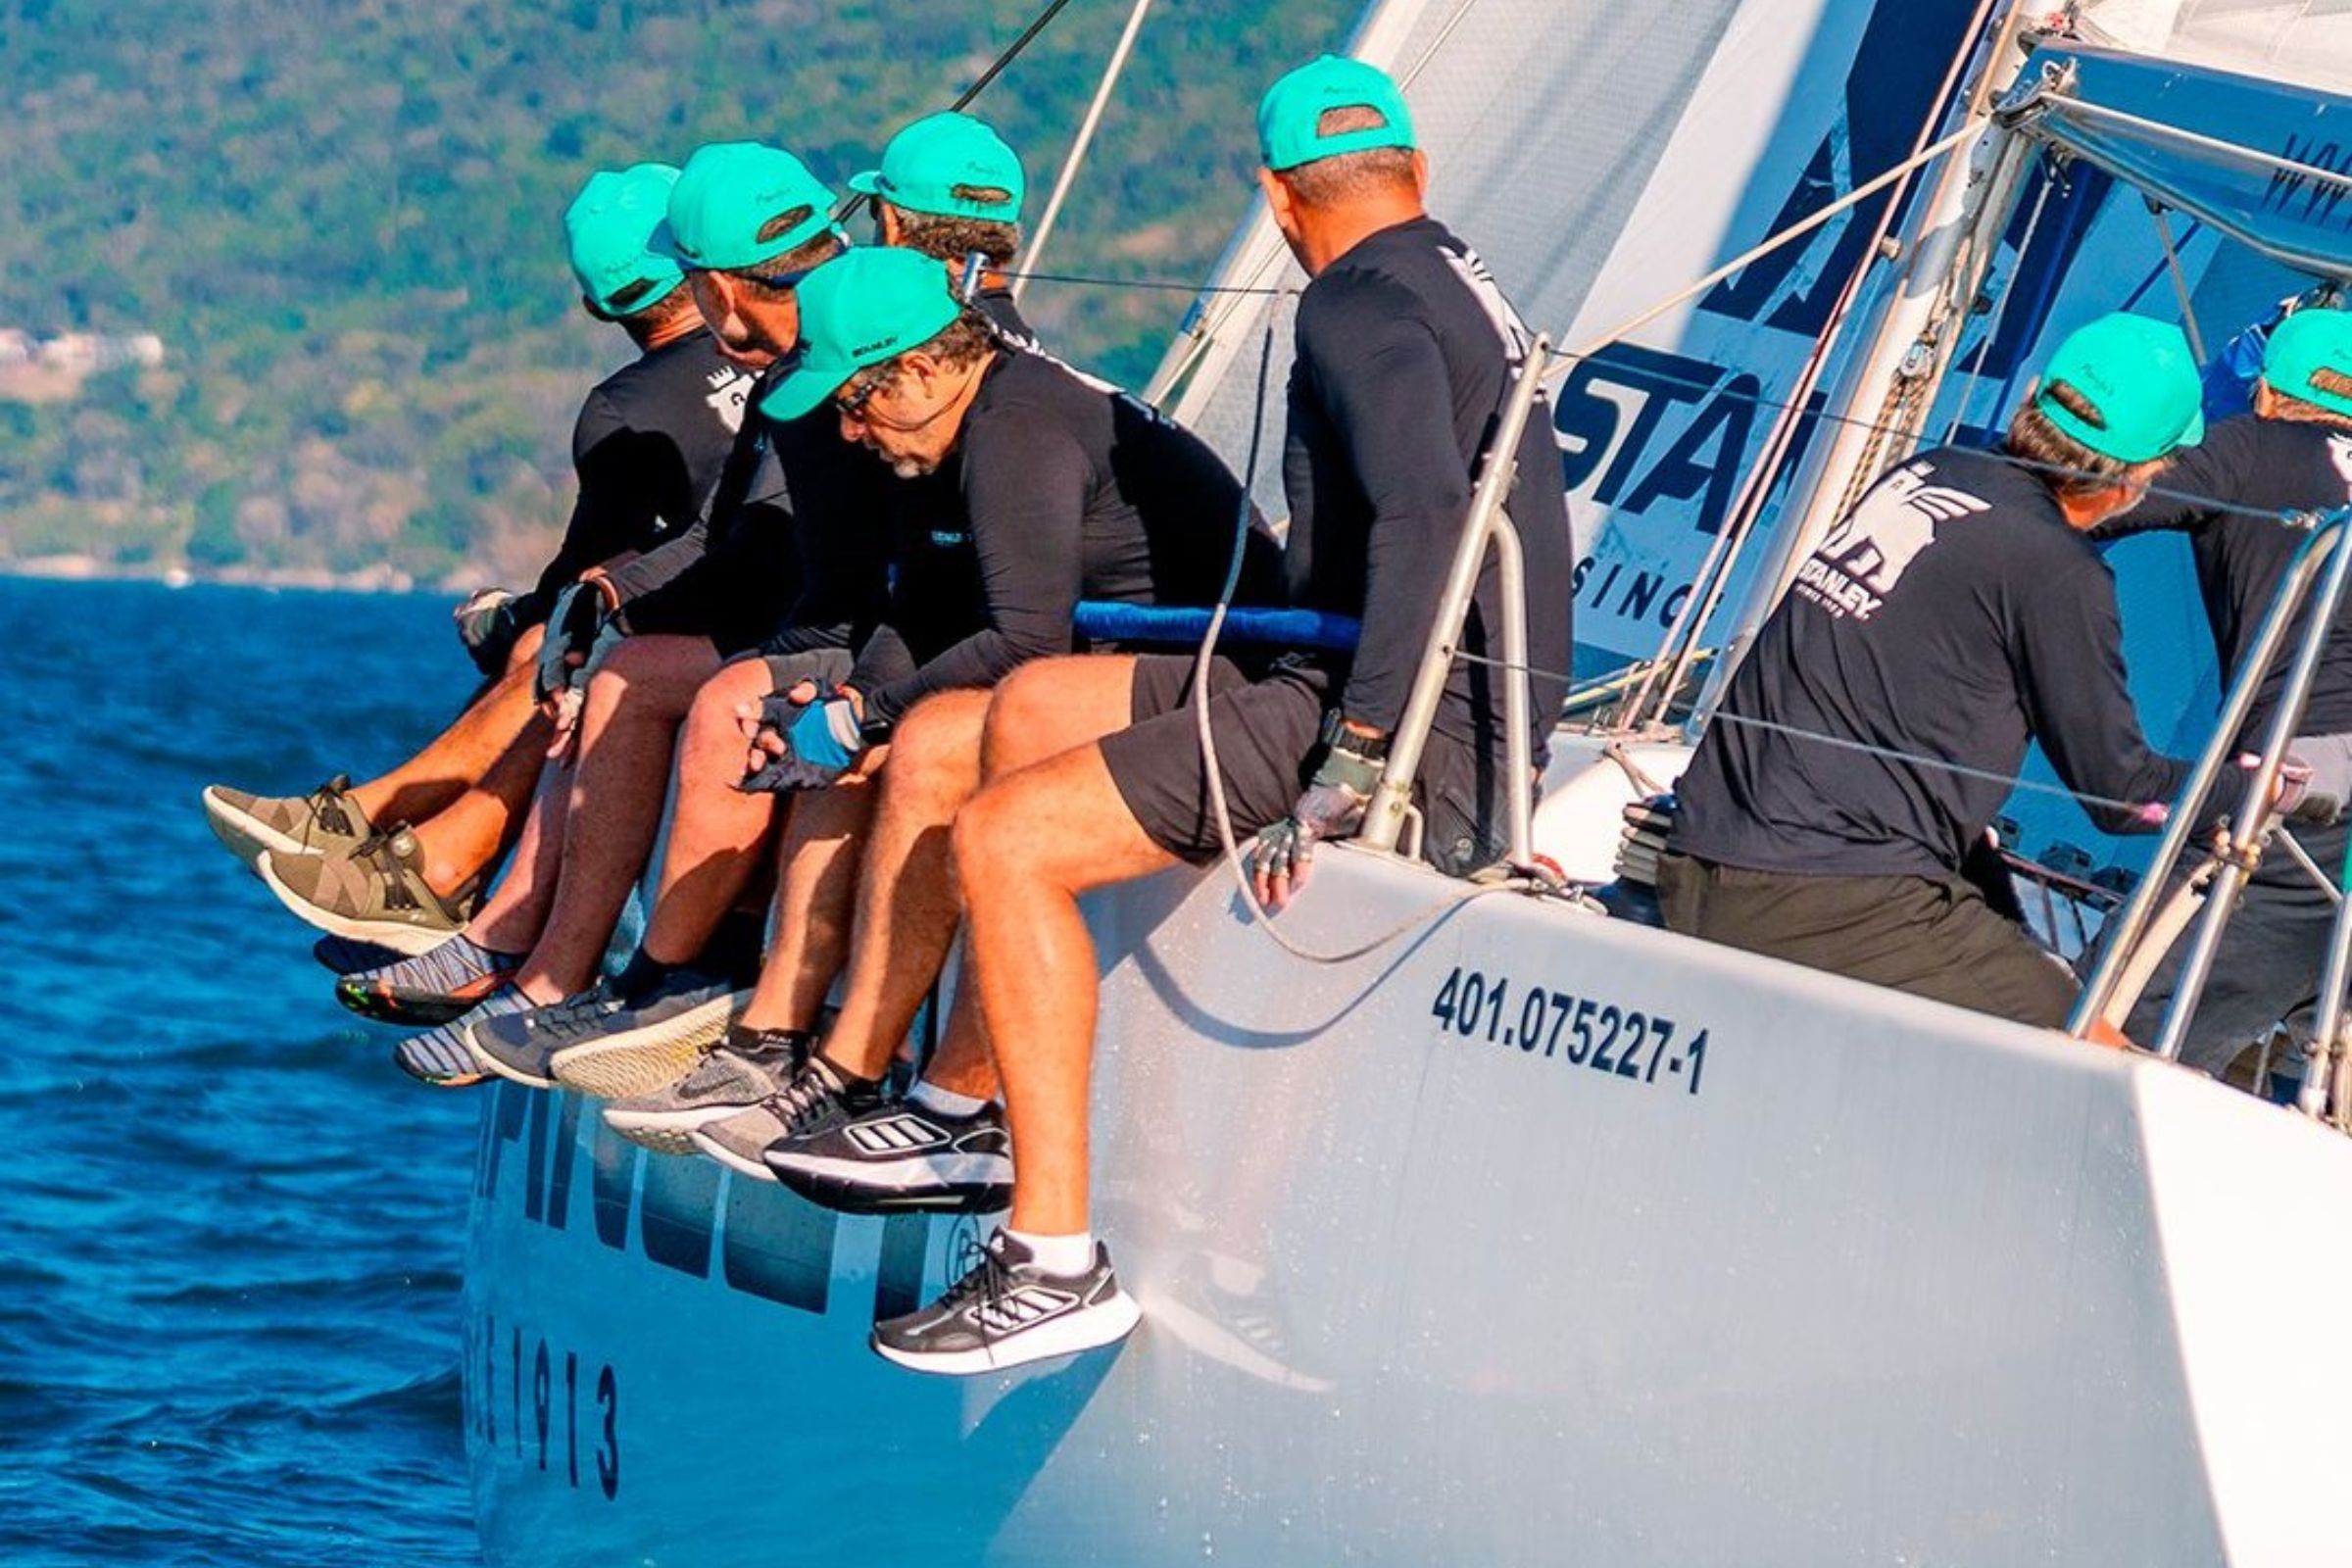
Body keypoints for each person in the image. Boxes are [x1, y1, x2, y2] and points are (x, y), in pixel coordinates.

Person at [868, 56, 1575, 1374]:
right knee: (1034, 702)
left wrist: (1357, 756)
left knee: (1005, 842)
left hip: (1400, 713)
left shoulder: (1352, 301)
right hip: (1399, 683)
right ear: (1417, 173)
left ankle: (1050, 1259)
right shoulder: (1446, 271)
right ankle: (969, 1107)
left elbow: (1427, 511)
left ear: (1276, 196)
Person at [632, 242, 1282, 1191]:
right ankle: (823, 1058)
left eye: (857, 401)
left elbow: (1023, 639)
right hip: (1112, 661)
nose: (849, 430)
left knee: (929, 738)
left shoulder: (1016, 428)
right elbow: (928, 612)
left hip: (1232, 672)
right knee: (884, 735)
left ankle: (876, 1080)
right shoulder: (943, 432)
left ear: (925, 367)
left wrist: (869, 718)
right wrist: (852, 706)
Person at [462, 113, 1048, 1106]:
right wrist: (613, 602)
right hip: (913, 626)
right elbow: (775, 542)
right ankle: (616, 969)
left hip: (951, 644)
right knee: (671, 675)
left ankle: (684, 980)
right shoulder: (875, 348)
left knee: (734, 698)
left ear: (717, 289)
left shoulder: (861, 352)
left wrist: (846, 690)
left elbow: (857, 567)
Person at [370, 141, 891, 1086]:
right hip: (824, 614)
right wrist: (607, 597)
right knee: (619, 664)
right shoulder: (786, 366)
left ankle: (636, 975)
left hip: (867, 634)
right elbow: (727, 532)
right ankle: (536, 962)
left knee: (676, 687)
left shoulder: (842, 357)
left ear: (713, 290)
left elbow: (781, 548)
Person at [203, 163, 757, 960]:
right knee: (549, 643)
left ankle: (417, 858)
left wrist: (509, 619)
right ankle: (408, 851)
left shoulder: (628, 407)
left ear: (599, 306)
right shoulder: (793, 356)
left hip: (743, 626)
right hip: (753, 603)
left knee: (560, 645)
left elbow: (589, 566)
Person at [1657, 313, 2210, 1032]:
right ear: (2132, 478)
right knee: (2089, 1057)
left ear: (2035, 397)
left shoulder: (1928, 471)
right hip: (1829, 893)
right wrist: (2253, 790)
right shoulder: (2058, 570)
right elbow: (2121, 795)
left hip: (1702, 858)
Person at [2094, 307, 2352, 1081]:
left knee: (2111, 1025)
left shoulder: (2253, 446)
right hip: (2329, 803)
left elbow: (2099, 499)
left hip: (2302, 784)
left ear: (2268, 394)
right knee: (2321, 1072)